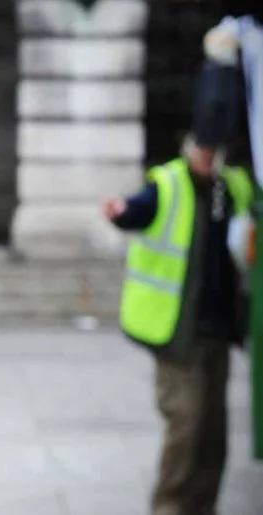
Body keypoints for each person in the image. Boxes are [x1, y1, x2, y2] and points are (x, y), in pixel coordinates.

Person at [103, 51, 252, 515]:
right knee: (185, 425)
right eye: (203, 150)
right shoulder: (167, 183)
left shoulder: (232, 187)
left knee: (214, 432)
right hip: (175, 330)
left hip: (216, 329)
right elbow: (138, 208)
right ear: (191, 147)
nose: (209, 159)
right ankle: (169, 507)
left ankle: (202, 506)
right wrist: (122, 211)